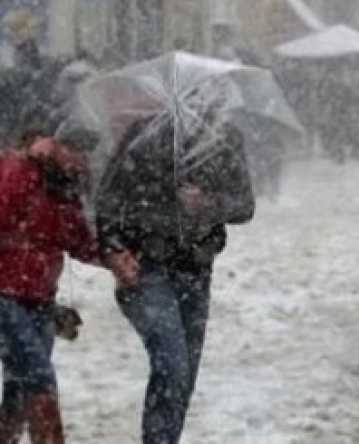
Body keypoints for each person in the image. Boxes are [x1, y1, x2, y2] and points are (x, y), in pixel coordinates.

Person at [94, 86, 255, 444]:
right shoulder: (145, 136)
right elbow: (108, 198)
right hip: (149, 266)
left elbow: (244, 205)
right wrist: (114, 247)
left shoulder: (226, 140)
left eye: (211, 100)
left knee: (184, 376)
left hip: (197, 269)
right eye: (194, 98)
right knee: (172, 365)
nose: (202, 106)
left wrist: (207, 203)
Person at [0, 135, 110, 444]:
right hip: (5, 293)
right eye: (74, 150)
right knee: (39, 377)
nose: (80, 160)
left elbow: (78, 240)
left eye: (86, 154)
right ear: (52, 145)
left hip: (39, 297)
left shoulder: (66, 189)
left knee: (20, 384)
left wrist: (115, 256)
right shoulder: (16, 172)